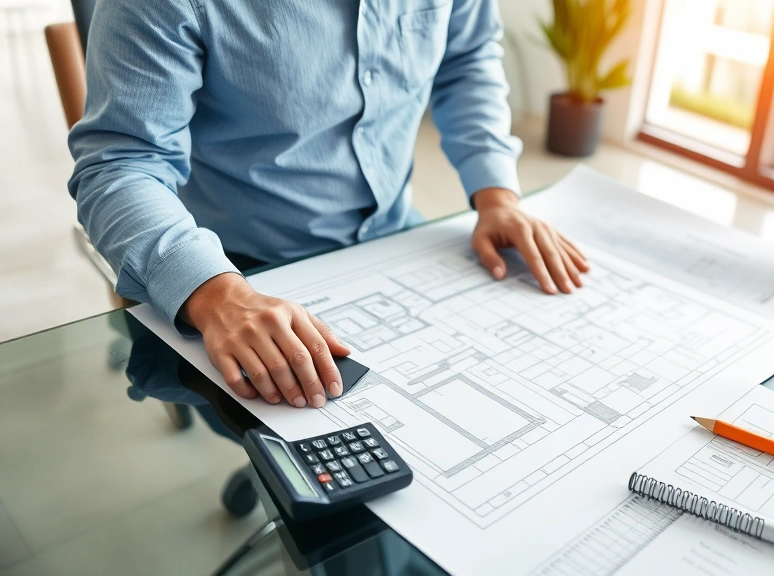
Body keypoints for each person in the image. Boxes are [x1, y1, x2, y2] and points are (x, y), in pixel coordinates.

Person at [69, 0, 588, 410]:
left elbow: (466, 59)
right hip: (240, 271)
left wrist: (496, 194)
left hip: (395, 236)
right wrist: (216, 294)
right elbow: (119, 165)